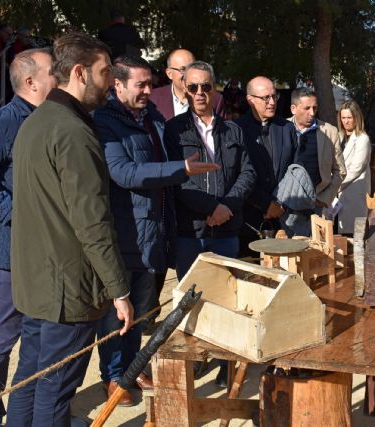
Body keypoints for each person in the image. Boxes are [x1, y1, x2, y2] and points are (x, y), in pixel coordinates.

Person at [6, 32, 134, 426]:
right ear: (79, 72)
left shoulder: (40, 120)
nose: (111, 81)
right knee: (54, 389)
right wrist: (120, 290)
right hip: (65, 290)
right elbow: (91, 220)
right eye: (104, 72)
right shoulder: (71, 130)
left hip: (40, 283)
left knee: (32, 378)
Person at [92, 54, 219, 406]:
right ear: (117, 85)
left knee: (145, 308)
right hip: (126, 232)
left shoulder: (152, 117)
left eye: (150, 83)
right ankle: (114, 376)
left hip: (157, 230)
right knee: (118, 313)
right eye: (141, 84)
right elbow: (124, 172)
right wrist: (182, 168)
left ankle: (134, 368)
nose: (149, 90)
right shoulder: (105, 122)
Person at [164, 60, 255, 387]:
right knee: (190, 302)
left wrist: (226, 207)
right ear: (184, 89)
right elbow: (177, 180)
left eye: (206, 86)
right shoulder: (174, 130)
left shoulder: (233, 130)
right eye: (193, 87)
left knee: (228, 301)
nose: (200, 93)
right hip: (192, 232)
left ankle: (225, 365)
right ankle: (193, 366)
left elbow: (247, 172)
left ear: (215, 89)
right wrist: (210, 207)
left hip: (227, 230)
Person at [0, 47, 55, 427]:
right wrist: (14, 214)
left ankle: (27, 411)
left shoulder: (48, 120)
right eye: (51, 71)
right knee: (4, 334)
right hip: (11, 250)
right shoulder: (2, 123)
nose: (59, 76)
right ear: (30, 82)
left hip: (44, 250)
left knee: (39, 337)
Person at [235, 76, 296, 257]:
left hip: (282, 219)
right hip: (248, 221)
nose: (271, 102)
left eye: (274, 96)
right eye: (265, 98)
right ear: (250, 99)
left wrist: (281, 203)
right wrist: (265, 204)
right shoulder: (235, 130)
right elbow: (236, 174)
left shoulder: (287, 128)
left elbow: (295, 168)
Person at [289, 87, 346, 212]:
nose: (312, 113)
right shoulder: (280, 129)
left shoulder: (330, 131)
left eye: (314, 108)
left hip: (316, 204)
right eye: (307, 108)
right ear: (293, 109)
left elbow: (340, 170)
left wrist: (324, 198)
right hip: (285, 203)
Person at [150, 49, 225, 121]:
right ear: (169, 74)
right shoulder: (153, 98)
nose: (188, 74)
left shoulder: (215, 100)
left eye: (192, 68)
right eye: (183, 69)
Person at [335, 99, 371, 235]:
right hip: (337, 194)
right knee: (336, 234)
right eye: (343, 117)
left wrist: (335, 185)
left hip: (353, 191)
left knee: (354, 234)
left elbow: (356, 168)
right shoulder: (339, 136)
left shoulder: (362, 139)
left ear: (356, 118)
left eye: (349, 117)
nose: (346, 121)